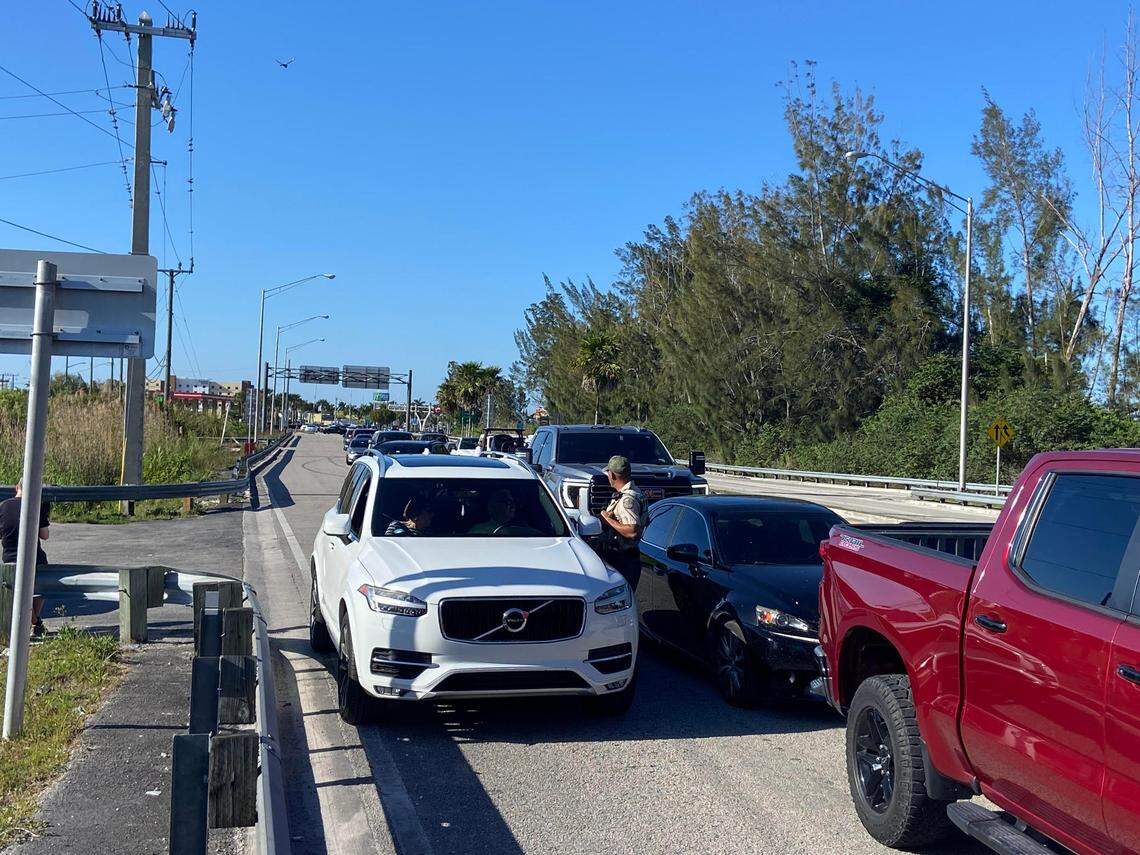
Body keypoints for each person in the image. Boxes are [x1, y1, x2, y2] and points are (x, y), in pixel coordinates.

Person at [0, 479, 49, 637]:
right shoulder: (36, 505)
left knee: (18, 591)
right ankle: (35, 622)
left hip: (10, 557)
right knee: (41, 586)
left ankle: (34, 622)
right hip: (34, 557)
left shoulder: (3, 506)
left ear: (17, 488)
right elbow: (45, 535)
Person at [597, 455, 647, 584]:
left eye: (608, 473)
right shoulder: (635, 492)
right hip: (627, 557)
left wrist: (607, 519)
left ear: (612, 475)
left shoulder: (627, 500)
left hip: (624, 559)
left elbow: (632, 531)